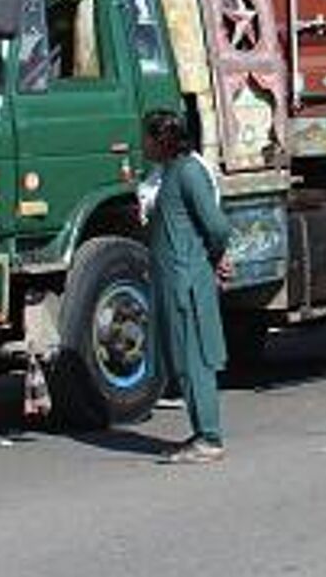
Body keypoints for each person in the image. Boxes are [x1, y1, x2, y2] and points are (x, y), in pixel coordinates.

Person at [140, 110, 232, 465]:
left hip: (186, 281)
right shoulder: (170, 173)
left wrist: (215, 255)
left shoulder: (189, 172)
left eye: (147, 137)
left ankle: (209, 438)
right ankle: (201, 434)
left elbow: (217, 226)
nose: (143, 144)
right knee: (183, 361)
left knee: (195, 362)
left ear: (161, 139)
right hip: (176, 279)